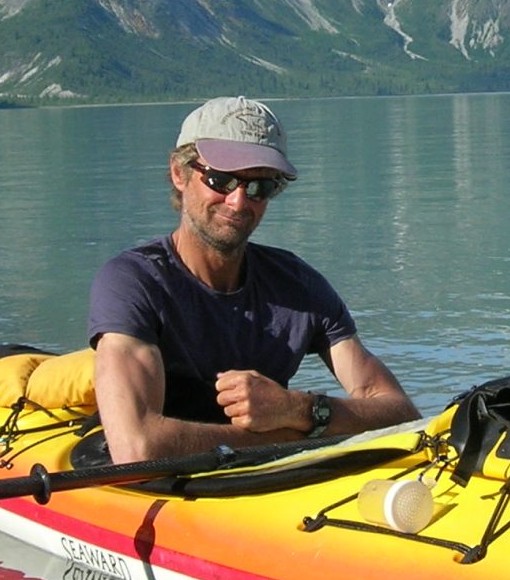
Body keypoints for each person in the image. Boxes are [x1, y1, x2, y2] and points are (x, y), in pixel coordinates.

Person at [88, 96, 418, 464]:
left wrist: (298, 409)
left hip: (272, 481)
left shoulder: (298, 286)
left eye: (260, 186)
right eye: (220, 179)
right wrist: (287, 437)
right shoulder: (132, 283)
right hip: (162, 488)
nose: (239, 201)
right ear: (179, 174)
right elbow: (137, 449)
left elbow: (400, 413)